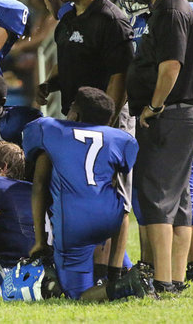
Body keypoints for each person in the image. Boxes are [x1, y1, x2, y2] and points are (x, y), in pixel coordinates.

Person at [114, 0, 193, 293]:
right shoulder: (168, 8)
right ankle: (176, 279)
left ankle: (163, 280)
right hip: (180, 115)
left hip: (171, 115)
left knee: (158, 199)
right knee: (177, 202)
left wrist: (153, 106)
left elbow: (171, 66)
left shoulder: (169, 10)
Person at [23, 86, 147, 301]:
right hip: (110, 219)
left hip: (75, 223)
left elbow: (40, 186)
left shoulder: (49, 129)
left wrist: (40, 240)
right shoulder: (120, 138)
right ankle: (120, 272)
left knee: (78, 296)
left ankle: (125, 285)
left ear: (75, 114)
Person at [37, 0, 133, 121]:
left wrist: (106, 124)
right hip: (75, 117)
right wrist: (49, 84)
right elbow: (67, 61)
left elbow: (120, 77)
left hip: (105, 119)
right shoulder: (67, 19)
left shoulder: (111, 20)